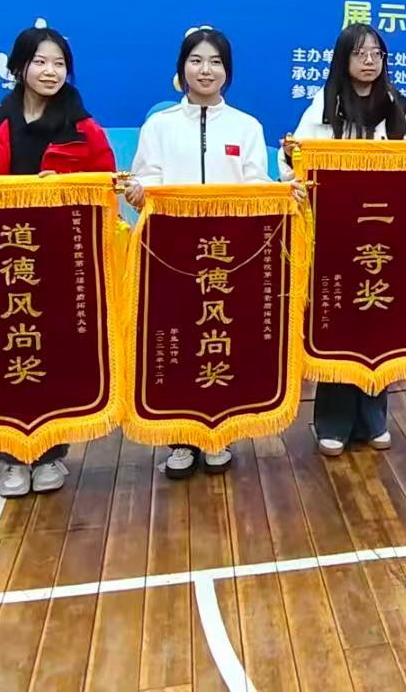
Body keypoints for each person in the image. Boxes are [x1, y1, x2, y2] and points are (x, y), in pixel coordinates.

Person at [0, 27, 116, 498]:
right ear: (20, 67)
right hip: (2, 260)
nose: (50, 72)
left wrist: (67, 188)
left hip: (58, 263)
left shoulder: (85, 130)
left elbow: (106, 190)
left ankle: (51, 452)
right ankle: (9, 458)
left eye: (59, 64)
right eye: (40, 62)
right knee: (5, 354)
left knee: (54, 354)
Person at [127, 27, 269, 479]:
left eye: (215, 62)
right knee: (178, 341)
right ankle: (180, 439)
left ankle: (219, 433)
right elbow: (146, 177)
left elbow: (257, 187)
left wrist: (286, 194)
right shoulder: (160, 125)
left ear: (228, 71)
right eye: (196, 61)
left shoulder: (246, 127)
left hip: (230, 256)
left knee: (223, 338)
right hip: (171, 253)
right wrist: (138, 191)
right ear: (182, 68)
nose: (205, 70)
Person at [284, 23, 406, 456]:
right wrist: (292, 163)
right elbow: (293, 166)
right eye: (360, 53)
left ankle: (373, 417)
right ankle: (332, 420)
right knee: (337, 323)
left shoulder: (400, 107)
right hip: (335, 236)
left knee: (377, 320)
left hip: (384, 236)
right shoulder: (322, 108)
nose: (369, 61)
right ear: (343, 59)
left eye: (377, 54)